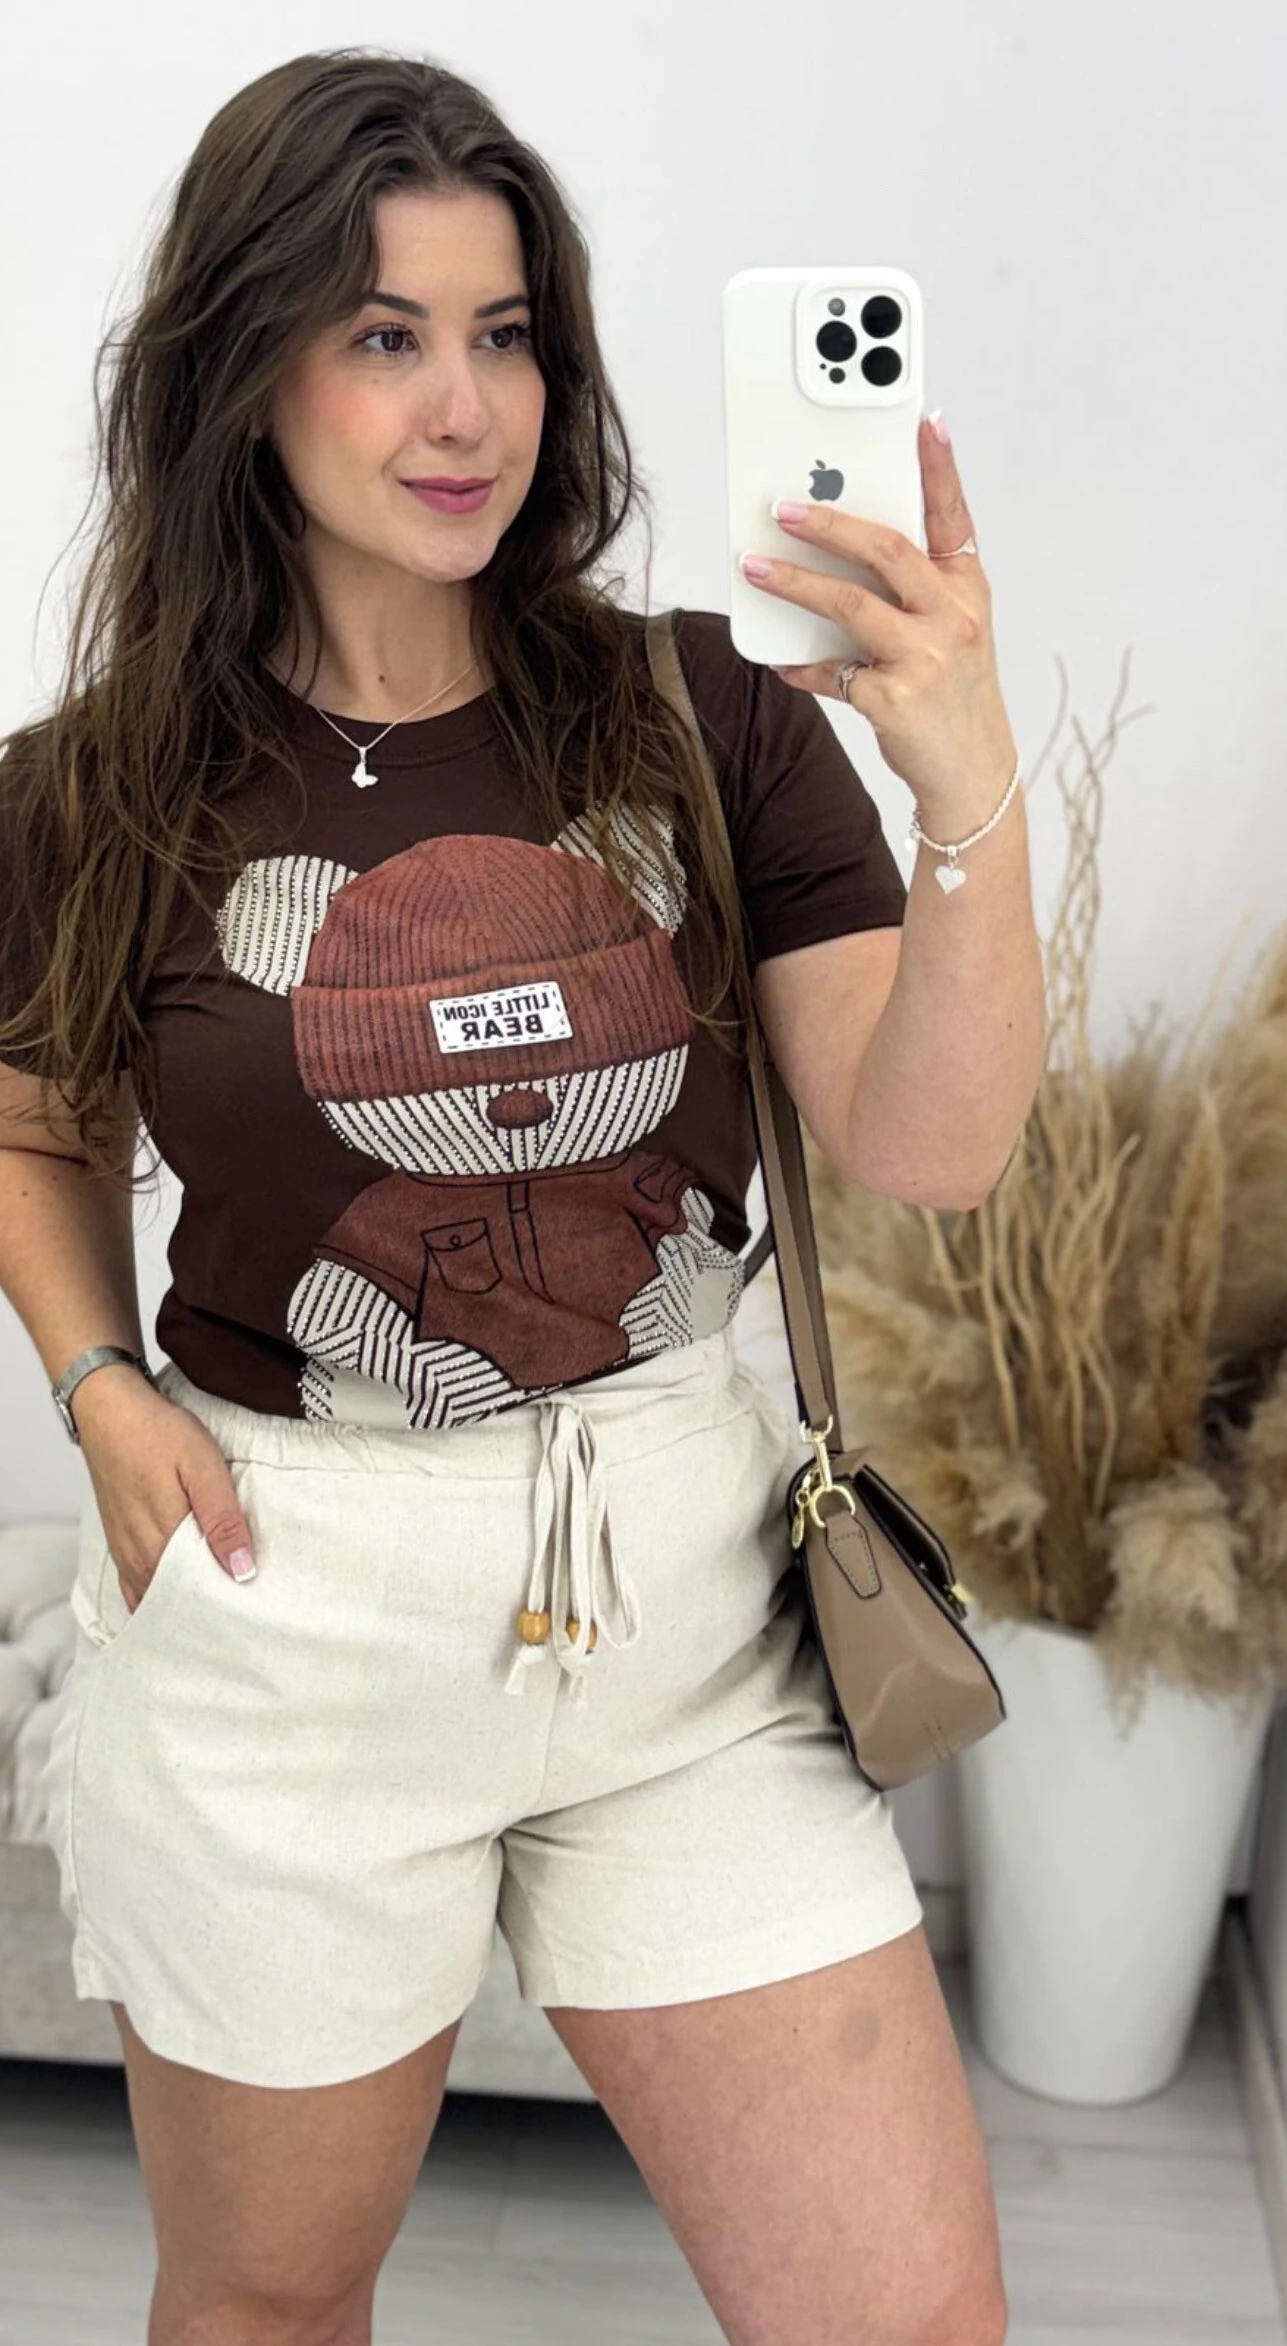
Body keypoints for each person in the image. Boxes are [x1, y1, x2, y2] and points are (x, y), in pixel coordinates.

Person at [0, 48, 1044, 2346]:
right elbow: (28, 1113)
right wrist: (94, 1381)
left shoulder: (701, 718)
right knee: (270, 2308)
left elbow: (932, 1147)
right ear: (243, 368)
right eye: (385, 335)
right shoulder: (98, 790)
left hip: (690, 1611)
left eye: (507, 333)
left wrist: (964, 782)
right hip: (288, 1617)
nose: (464, 407)